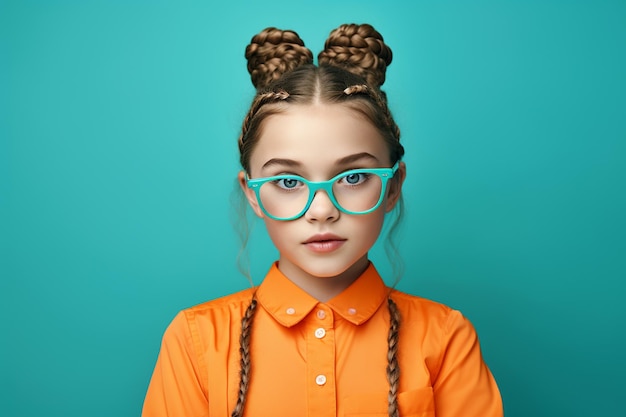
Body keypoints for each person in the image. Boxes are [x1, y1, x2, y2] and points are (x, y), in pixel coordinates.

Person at [142, 23, 503, 417]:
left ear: (393, 185)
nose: (322, 210)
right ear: (253, 194)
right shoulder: (196, 340)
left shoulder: (446, 338)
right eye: (287, 180)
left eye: (352, 177)